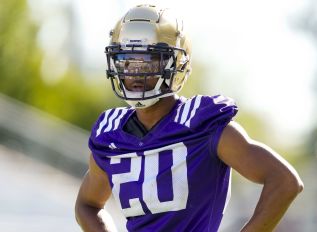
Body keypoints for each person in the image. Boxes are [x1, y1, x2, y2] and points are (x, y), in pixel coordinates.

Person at [75, 4, 303, 232]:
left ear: (175, 64)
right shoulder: (111, 134)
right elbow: (87, 204)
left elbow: (284, 181)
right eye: (127, 59)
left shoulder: (202, 124)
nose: (136, 71)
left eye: (149, 59)